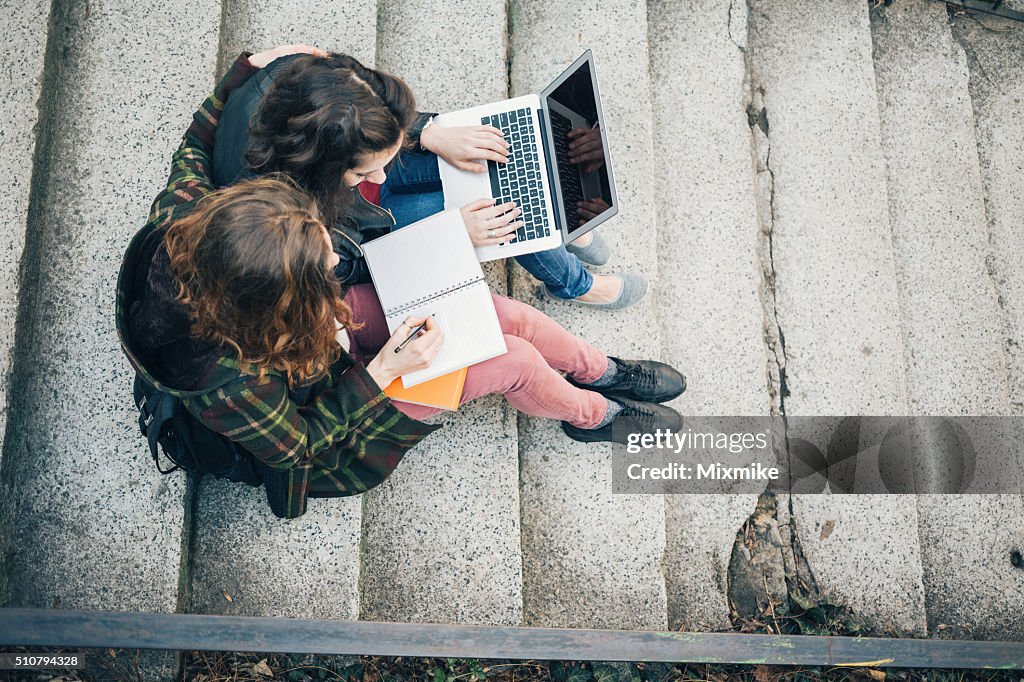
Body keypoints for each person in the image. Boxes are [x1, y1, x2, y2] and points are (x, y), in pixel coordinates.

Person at [117, 46, 686, 519]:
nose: (335, 259)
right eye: (322, 266)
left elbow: (195, 140)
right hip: (340, 413)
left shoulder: (186, 215)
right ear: (278, 298)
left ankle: (603, 371)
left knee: (502, 314)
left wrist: (247, 68)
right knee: (509, 360)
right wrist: (382, 371)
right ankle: (593, 417)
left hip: (323, 340)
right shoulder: (230, 380)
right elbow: (302, 447)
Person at [211, 51, 647, 310]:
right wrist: (449, 236)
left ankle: (561, 219)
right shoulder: (286, 223)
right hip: (369, 235)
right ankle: (575, 283)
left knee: (501, 157)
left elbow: (363, 101)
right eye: (363, 170)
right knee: (505, 214)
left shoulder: (297, 78)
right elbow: (358, 272)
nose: (378, 174)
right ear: (322, 166)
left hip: (356, 202)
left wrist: (427, 132)